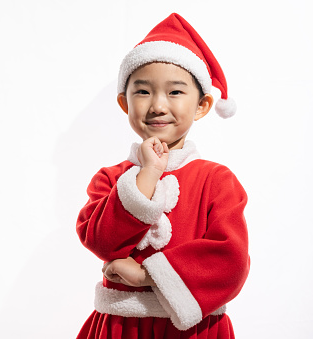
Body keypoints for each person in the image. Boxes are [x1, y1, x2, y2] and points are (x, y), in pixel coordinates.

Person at [76, 13, 250, 339]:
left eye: (175, 92)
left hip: (194, 329)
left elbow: (232, 260)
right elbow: (101, 241)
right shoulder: (110, 179)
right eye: (142, 92)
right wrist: (149, 173)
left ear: (202, 105)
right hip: (119, 326)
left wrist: (147, 275)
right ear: (124, 104)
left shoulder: (217, 181)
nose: (157, 105)